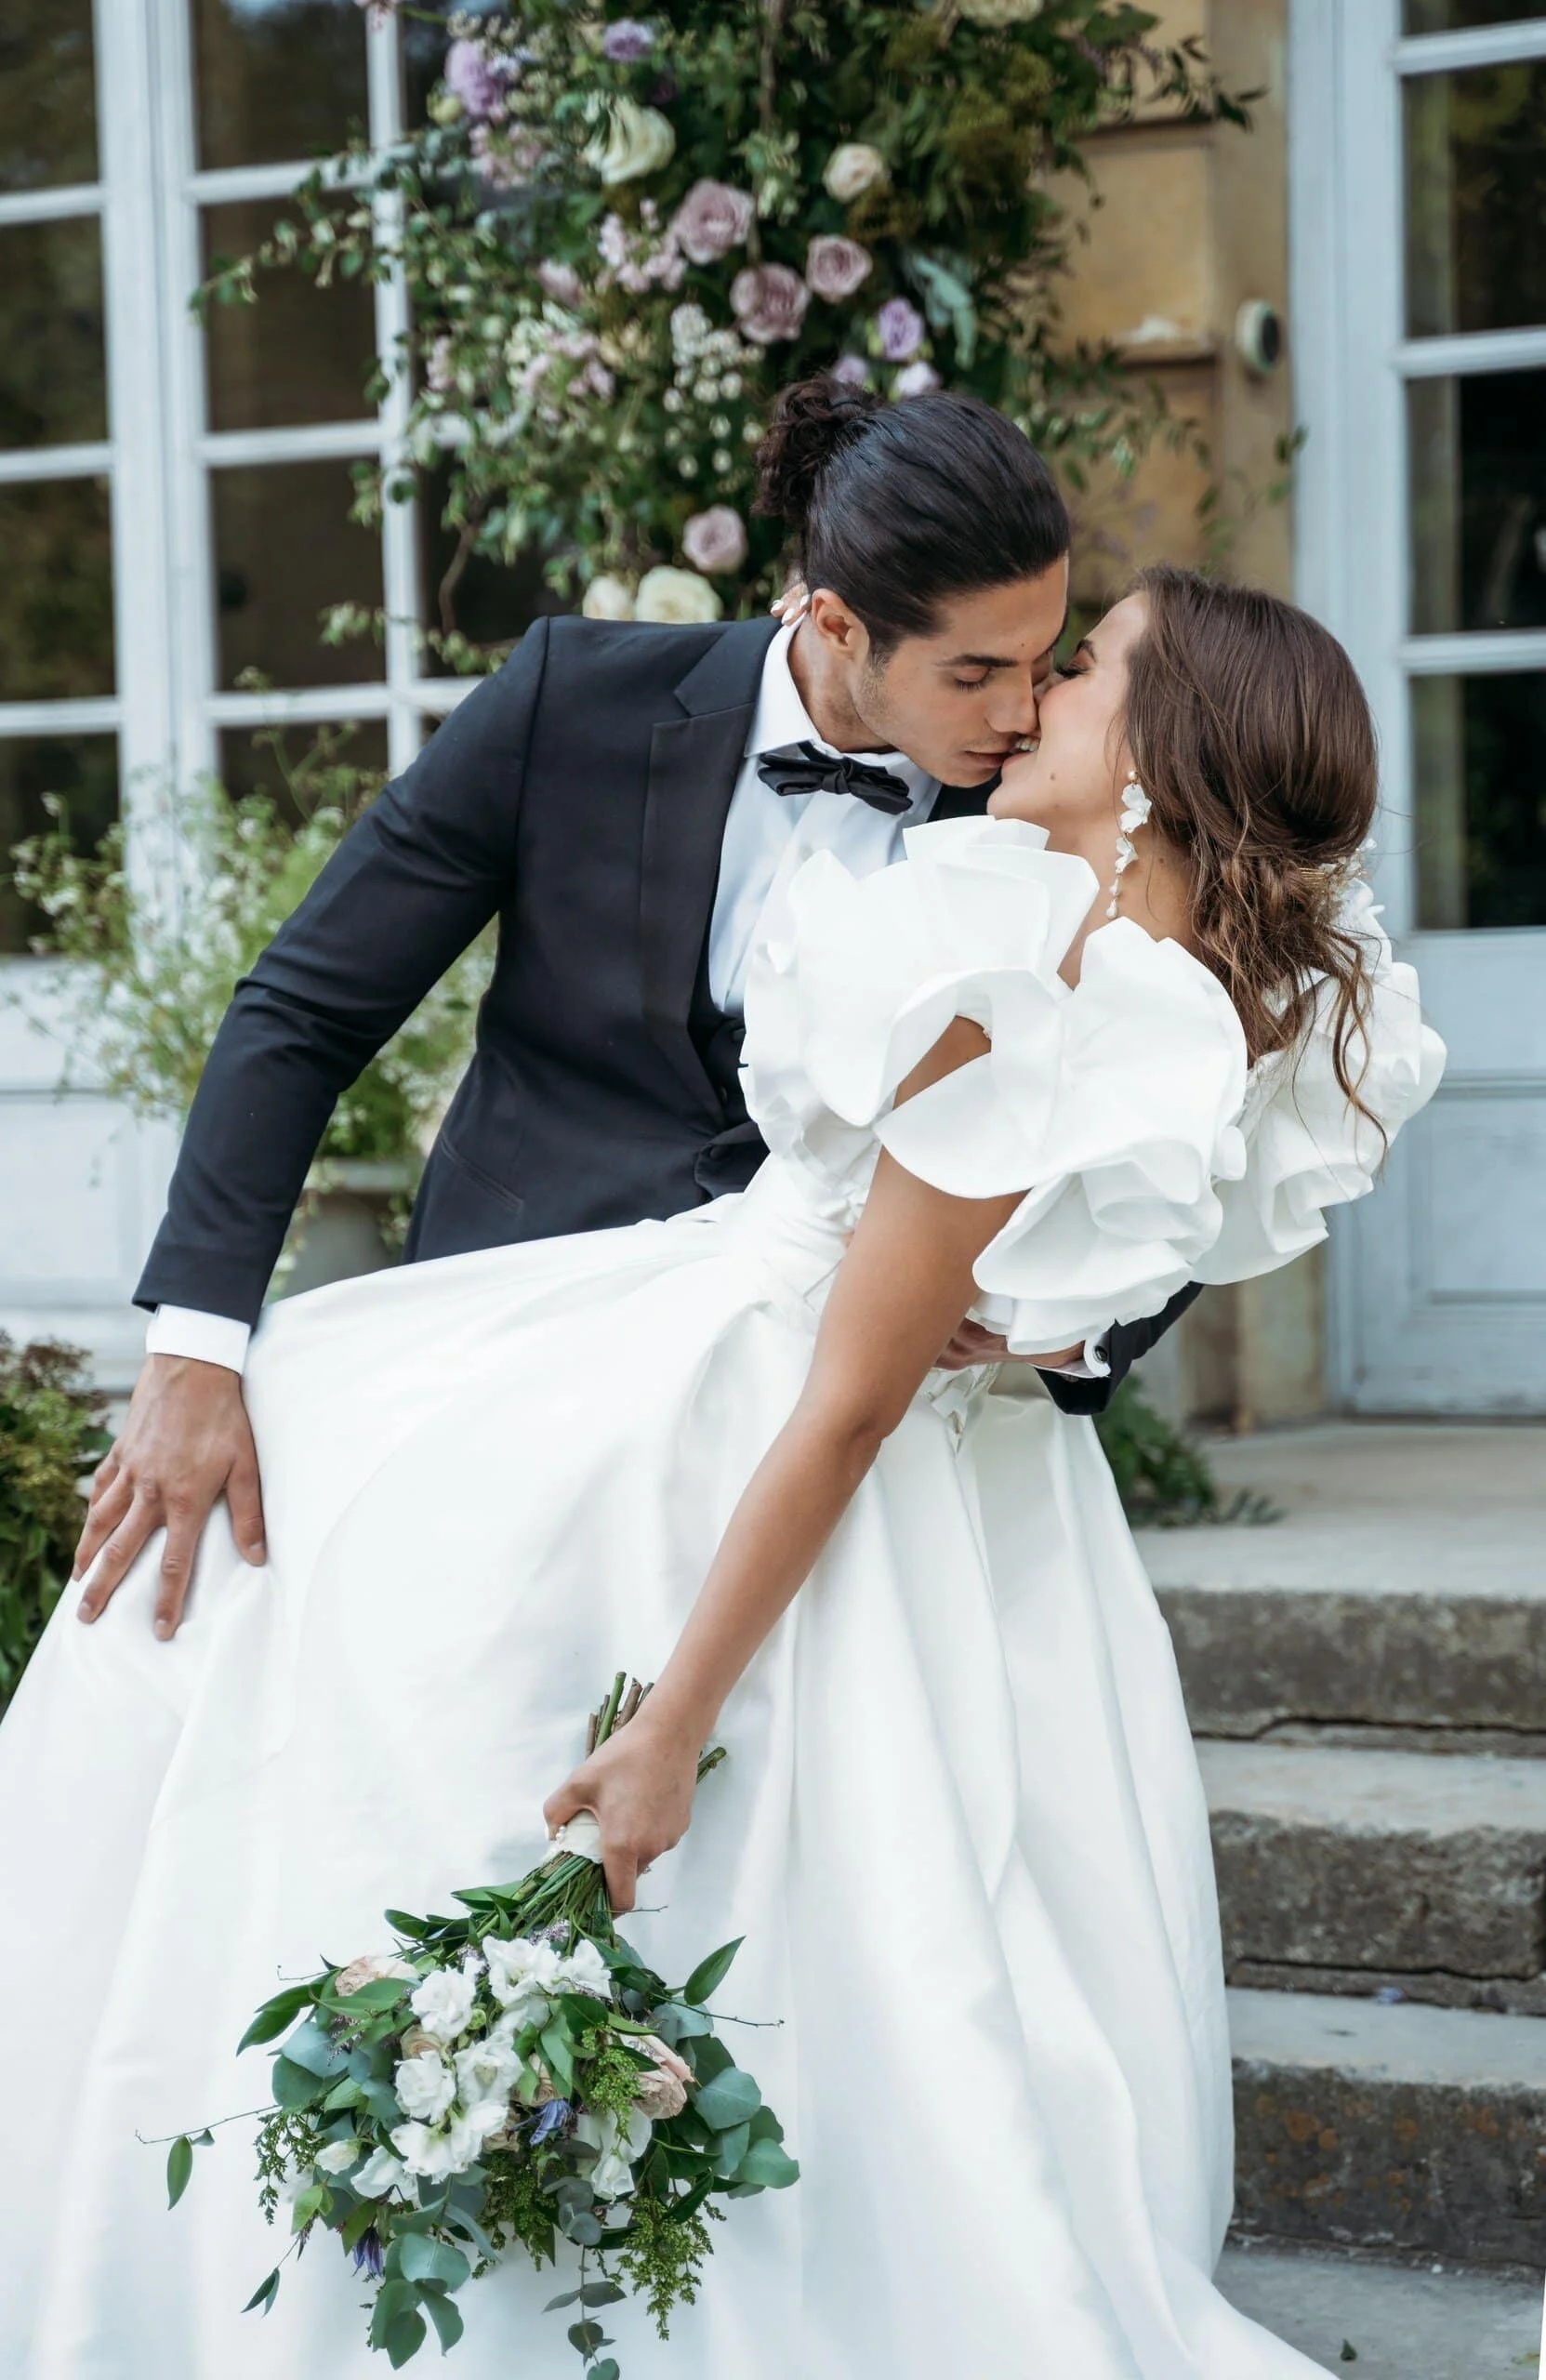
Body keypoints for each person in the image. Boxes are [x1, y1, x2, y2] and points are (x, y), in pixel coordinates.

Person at [0, 515, 1442, 2373]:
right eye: (1004, 667)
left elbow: (850, 1400)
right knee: (928, 1925)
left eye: (1077, 669)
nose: (1028, 705)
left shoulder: (1018, 991)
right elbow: (1050, 1277)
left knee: (371, 1604)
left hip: (773, 1421)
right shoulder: (1175, 995)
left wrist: (673, 1719)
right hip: (932, 1471)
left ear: (1149, 761)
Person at [73, 379, 1197, 1642]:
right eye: (975, 671)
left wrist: (1063, 1332)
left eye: (1043, 662)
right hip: (515, 1336)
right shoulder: (572, 697)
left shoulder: (1039, 804)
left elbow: (1166, 1088)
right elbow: (306, 1008)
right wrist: (196, 1343)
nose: (1017, 710)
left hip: (814, 1414)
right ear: (835, 623)